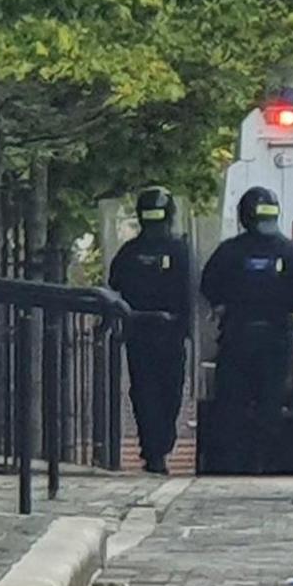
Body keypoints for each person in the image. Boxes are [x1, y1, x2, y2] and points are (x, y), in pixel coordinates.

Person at [200, 187, 293, 472]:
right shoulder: (292, 253)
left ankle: (231, 464)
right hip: (275, 340)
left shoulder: (229, 251)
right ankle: (264, 462)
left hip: (237, 338)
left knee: (232, 403)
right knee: (271, 402)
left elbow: (208, 286)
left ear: (243, 216)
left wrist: (226, 302)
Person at [108, 187, 192, 475]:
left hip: (139, 331)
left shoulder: (130, 251)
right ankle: (160, 446)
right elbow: (190, 290)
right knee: (170, 391)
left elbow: (115, 281)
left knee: (144, 391)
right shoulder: (180, 250)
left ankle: (152, 449)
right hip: (169, 333)